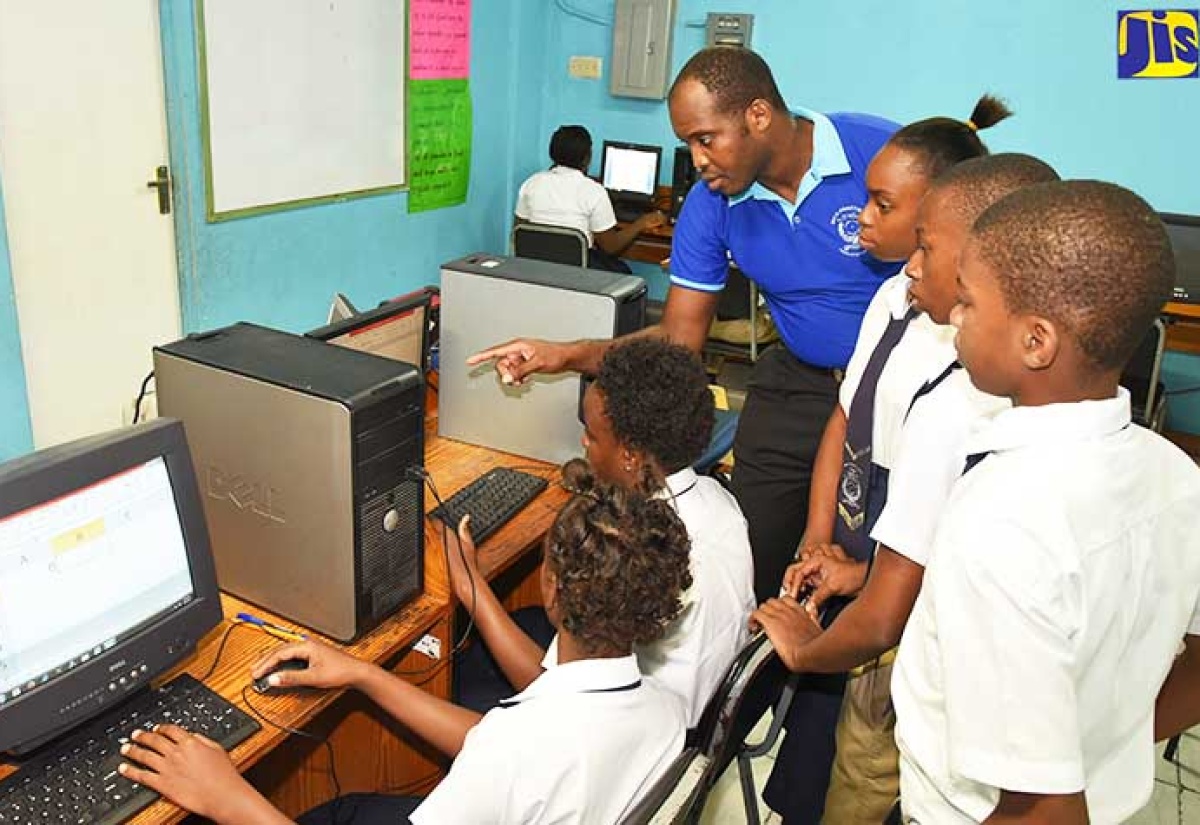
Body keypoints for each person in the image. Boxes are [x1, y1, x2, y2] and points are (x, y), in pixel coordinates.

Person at [470, 46, 901, 608]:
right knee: (753, 551)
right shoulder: (711, 204)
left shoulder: (875, 151)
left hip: (894, 387)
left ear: (758, 115)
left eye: (706, 139)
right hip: (800, 382)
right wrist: (566, 354)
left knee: (877, 556)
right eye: (688, 144)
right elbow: (678, 340)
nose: (697, 160)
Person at [755, 153, 1059, 824]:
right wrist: (822, 537)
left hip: (900, 619)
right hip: (864, 567)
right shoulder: (894, 298)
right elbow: (848, 416)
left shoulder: (972, 388)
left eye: (917, 234)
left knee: (865, 770)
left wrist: (857, 584)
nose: (910, 260)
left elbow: (922, 570)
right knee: (819, 756)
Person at [888, 180, 1200, 822]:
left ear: (1037, 341)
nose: (954, 317)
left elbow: (1045, 808)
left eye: (970, 304)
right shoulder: (1178, 476)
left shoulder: (1002, 522)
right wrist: (1098, 749)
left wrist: (1063, 771)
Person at [117, 481, 695, 825]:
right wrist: (368, 676)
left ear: (551, 587)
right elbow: (505, 745)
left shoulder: (520, 750)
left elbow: (510, 755)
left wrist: (227, 797)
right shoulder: (666, 710)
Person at [451, 337, 756, 729]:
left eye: (592, 435)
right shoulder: (719, 501)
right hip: (701, 709)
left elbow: (555, 692)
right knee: (525, 619)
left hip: (635, 731)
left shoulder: (641, 553)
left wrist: (469, 584)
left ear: (630, 455)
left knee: (455, 679)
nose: (583, 443)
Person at [514, 124, 666, 273]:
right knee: (624, 272)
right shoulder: (593, 191)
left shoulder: (531, 184)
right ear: (587, 158)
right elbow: (611, 246)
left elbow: (519, 232)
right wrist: (641, 223)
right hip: (578, 275)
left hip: (535, 272)